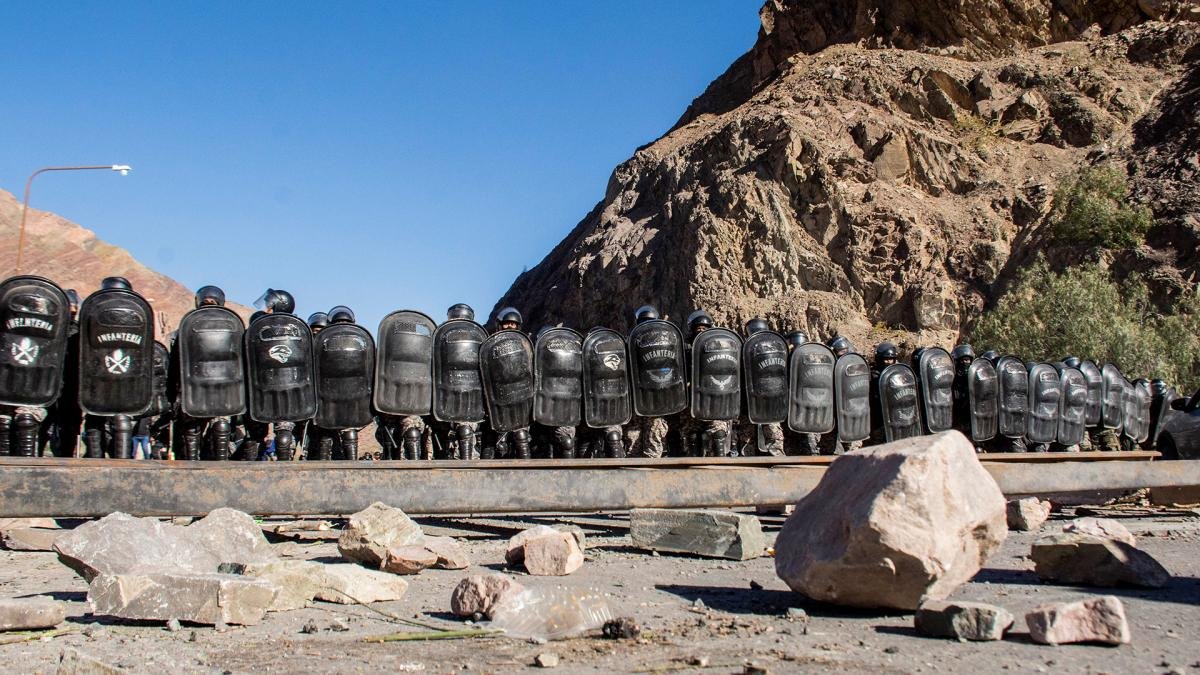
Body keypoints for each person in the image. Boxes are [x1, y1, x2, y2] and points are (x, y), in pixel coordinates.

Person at [624, 305, 674, 459]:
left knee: (651, 443)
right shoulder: (631, 341)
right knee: (635, 445)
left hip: (654, 400)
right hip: (639, 400)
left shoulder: (666, 342)